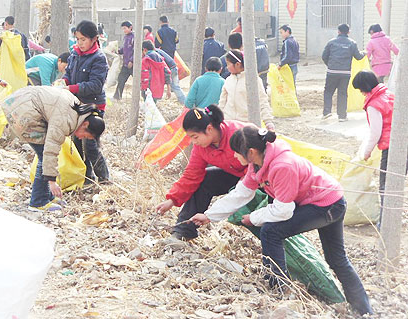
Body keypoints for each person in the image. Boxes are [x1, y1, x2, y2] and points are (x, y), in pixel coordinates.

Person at [190, 125, 373, 316]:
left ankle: (279, 288)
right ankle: (364, 310)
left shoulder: (282, 166)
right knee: (335, 258)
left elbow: (284, 210)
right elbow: (241, 193)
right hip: (326, 201)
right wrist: (209, 215)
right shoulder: (257, 164)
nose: (235, 157)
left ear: (250, 152)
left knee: (272, 232)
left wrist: (253, 217)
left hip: (327, 205)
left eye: (237, 153)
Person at [2, 86, 106, 211]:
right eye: (86, 136)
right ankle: (38, 202)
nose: (82, 137)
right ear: (86, 124)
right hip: (23, 110)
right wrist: (52, 181)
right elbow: (50, 152)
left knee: (44, 153)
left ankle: (46, 197)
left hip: (21, 102)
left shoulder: (76, 111)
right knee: (44, 155)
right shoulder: (65, 120)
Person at [155, 105, 248, 240]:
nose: (193, 142)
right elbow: (192, 174)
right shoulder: (201, 147)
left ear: (209, 129)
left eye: (195, 137)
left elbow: (256, 163)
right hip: (234, 175)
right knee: (205, 179)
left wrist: (243, 186)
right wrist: (172, 200)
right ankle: (184, 231)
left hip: (260, 177)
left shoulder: (238, 134)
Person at [352, 71, 408, 226]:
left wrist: (366, 152)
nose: (362, 94)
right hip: (404, 142)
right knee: (397, 183)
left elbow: (375, 132)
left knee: (387, 186)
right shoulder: (389, 95)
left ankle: (387, 222)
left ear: (365, 87)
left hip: (392, 148)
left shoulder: (373, 104)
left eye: (360, 90)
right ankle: (394, 217)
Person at [63, 20, 110, 184]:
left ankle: (104, 179)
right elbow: (68, 72)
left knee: (90, 145)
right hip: (77, 105)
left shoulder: (99, 59)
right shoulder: (74, 54)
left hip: (93, 106)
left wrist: (72, 88)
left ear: (94, 39)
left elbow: (95, 85)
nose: (80, 43)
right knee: (76, 143)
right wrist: (64, 82)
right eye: (77, 39)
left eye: (83, 39)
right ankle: (86, 178)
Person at [219, 50, 274, 131]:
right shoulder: (228, 80)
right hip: (229, 124)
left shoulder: (253, 80)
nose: (226, 67)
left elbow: (262, 100)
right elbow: (222, 102)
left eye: (228, 64)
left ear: (237, 64)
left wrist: (268, 121)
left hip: (246, 125)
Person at [322, 23, 364, 122]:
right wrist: (364, 53)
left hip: (332, 71)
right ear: (349, 32)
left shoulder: (331, 42)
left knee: (328, 91)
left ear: (338, 31)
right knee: (342, 93)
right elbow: (358, 57)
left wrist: (330, 65)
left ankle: (327, 112)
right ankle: (342, 116)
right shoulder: (352, 43)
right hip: (345, 73)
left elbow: (324, 56)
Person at [114, 20, 134, 100]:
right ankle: (117, 97)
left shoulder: (134, 37)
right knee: (121, 80)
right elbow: (125, 49)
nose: (124, 30)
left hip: (133, 65)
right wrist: (118, 51)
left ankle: (146, 96)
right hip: (126, 64)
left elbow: (136, 50)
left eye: (125, 28)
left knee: (139, 82)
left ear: (130, 28)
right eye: (123, 29)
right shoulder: (126, 37)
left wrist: (132, 61)